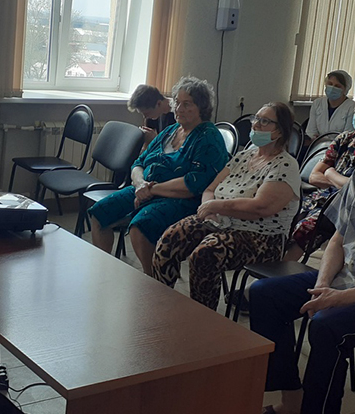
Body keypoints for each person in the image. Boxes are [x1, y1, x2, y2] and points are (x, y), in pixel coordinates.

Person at [152, 102, 301, 311]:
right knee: (170, 238)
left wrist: (217, 206)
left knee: (206, 254)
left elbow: (260, 207)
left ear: (280, 130)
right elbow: (210, 189)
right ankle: (160, 303)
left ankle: (202, 318)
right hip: (220, 221)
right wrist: (209, 210)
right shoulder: (244, 156)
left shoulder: (285, 165)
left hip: (262, 237)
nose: (256, 124)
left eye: (265, 121)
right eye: (256, 118)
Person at [250, 175, 355, 414]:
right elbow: (338, 239)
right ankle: (292, 406)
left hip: (351, 292)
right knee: (265, 295)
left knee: (326, 326)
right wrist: (322, 286)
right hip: (344, 279)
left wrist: (339, 298)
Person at [89, 76, 228, 275]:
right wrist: (140, 184)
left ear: (201, 107)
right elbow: (139, 163)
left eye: (187, 104)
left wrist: (151, 189)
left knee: (141, 226)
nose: (178, 109)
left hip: (182, 199)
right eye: (177, 102)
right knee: (99, 213)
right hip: (146, 189)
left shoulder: (208, 137)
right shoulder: (171, 131)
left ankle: (153, 280)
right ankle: (103, 272)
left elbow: (193, 184)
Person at [285, 129, 355, 261]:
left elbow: (353, 188)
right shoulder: (344, 138)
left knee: (306, 227)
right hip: (320, 196)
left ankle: (279, 267)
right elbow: (314, 176)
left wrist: (329, 173)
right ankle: (270, 261)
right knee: (288, 213)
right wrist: (338, 181)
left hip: (344, 206)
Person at [306, 70, 355, 141]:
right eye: (330, 84)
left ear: (345, 89)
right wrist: (316, 139)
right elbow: (311, 131)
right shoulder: (317, 103)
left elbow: (347, 135)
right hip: (316, 145)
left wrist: (325, 141)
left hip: (339, 146)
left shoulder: (352, 107)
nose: (332, 88)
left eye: (337, 86)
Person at [127, 84, 176, 149]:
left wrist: (155, 139)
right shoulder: (151, 117)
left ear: (159, 103)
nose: (145, 117)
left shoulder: (178, 114)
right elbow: (146, 148)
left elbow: (175, 147)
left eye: (147, 113)